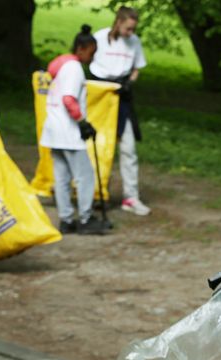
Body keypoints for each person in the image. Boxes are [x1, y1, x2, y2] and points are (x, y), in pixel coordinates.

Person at [40, 24, 107, 235]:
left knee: (61, 177)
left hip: (53, 130)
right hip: (68, 131)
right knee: (84, 175)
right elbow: (68, 99)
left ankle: (66, 219)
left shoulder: (61, 66)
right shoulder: (74, 68)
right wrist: (82, 123)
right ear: (82, 48)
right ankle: (86, 219)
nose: (93, 57)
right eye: (92, 52)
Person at [89, 6, 150, 216]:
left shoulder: (134, 42)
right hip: (100, 97)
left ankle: (130, 197)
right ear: (118, 22)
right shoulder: (99, 38)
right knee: (96, 147)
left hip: (122, 98)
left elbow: (136, 68)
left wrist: (129, 83)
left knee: (128, 148)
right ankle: (94, 194)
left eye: (133, 29)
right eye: (128, 28)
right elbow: (87, 61)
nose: (130, 33)